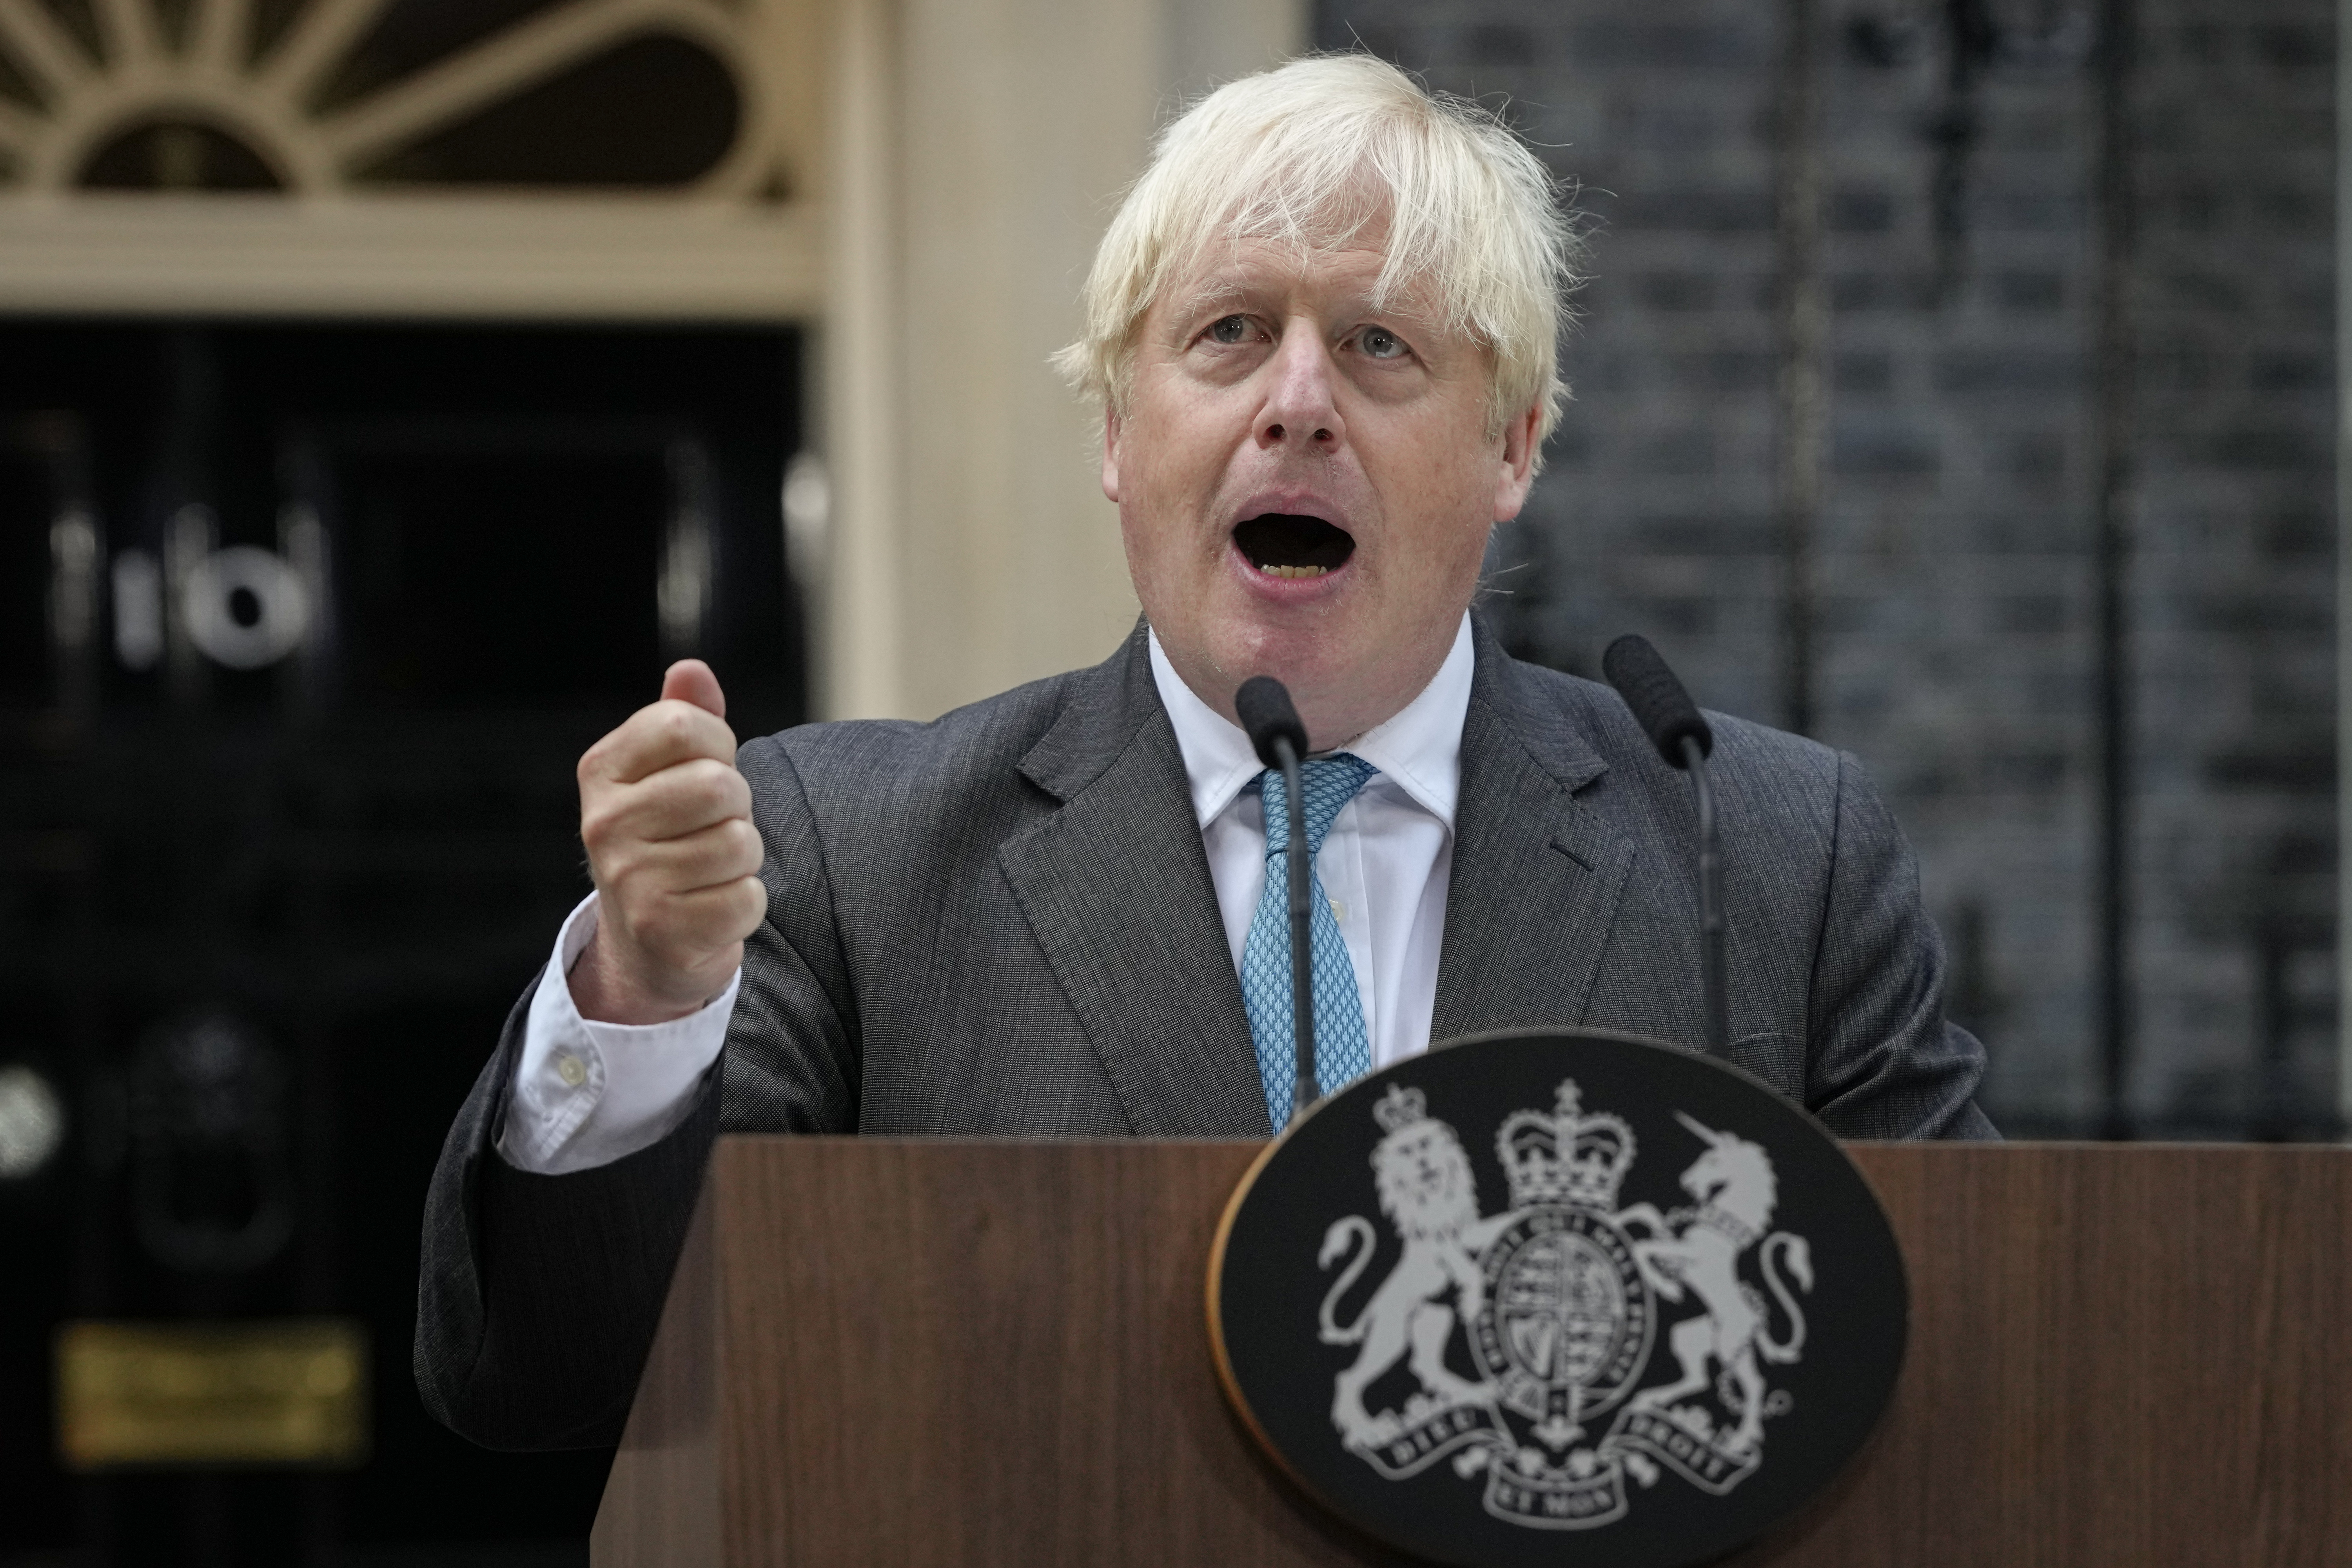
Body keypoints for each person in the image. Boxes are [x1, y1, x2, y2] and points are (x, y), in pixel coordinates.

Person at [416, 53, 1995, 1452]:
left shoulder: (1768, 857)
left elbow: (1974, 1380)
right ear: (1119, 432)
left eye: (1380, 345)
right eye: (1230, 334)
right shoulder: (845, 853)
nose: (1296, 403)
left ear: (1514, 446)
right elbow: (557, 1375)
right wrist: (642, 1001)